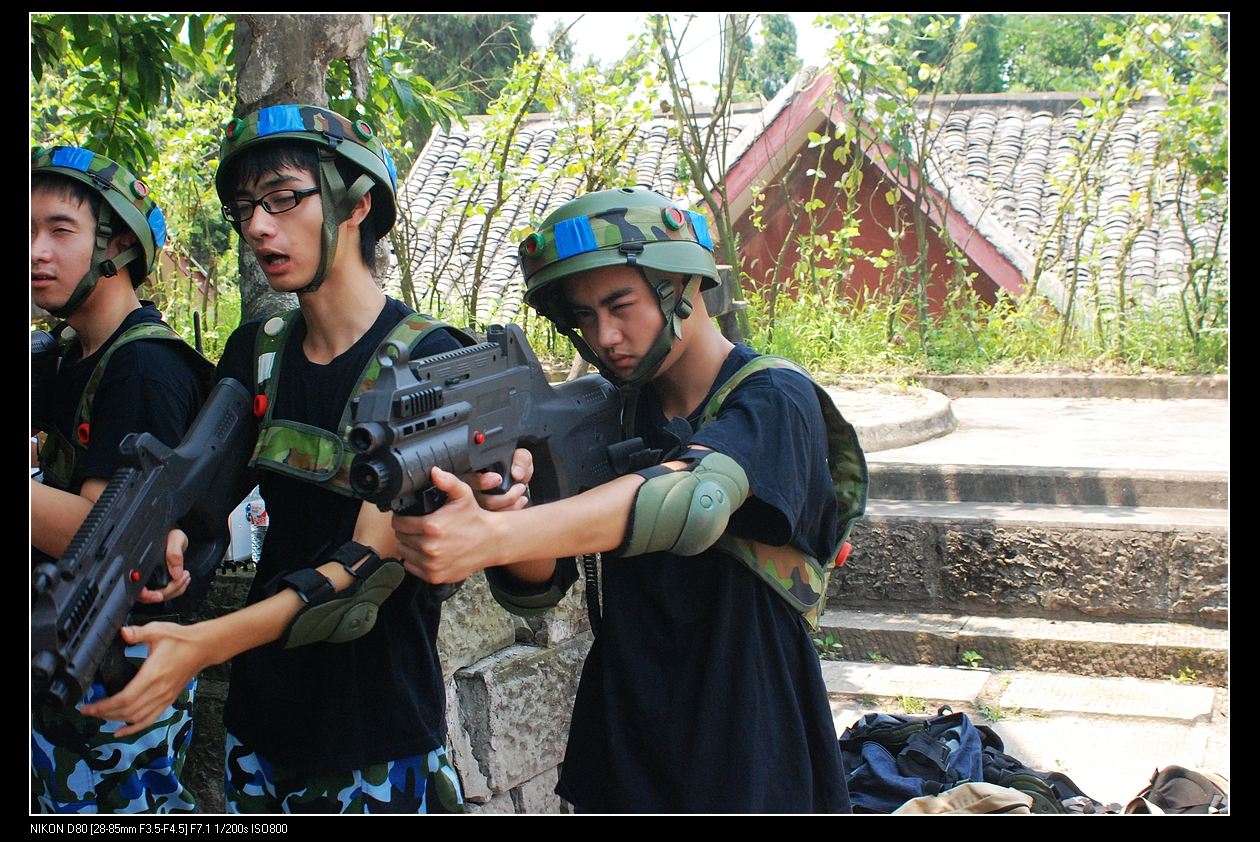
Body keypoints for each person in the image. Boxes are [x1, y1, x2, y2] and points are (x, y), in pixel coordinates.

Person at [81, 104, 536, 814]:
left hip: (372, 736)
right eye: (245, 208)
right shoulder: (259, 349)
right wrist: (165, 538)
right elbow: (201, 493)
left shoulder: (434, 361)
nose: (259, 226)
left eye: (283, 199)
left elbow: (360, 575)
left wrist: (202, 644)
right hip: (258, 731)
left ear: (357, 204)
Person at [391, 187, 865, 812]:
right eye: (583, 317)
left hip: (747, 731)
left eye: (621, 305)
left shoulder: (775, 398)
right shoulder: (610, 411)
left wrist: (493, 537)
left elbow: (695, 499)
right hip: (628, 733)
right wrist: (510, 513)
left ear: (683, 286)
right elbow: (537, 587)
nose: (604, 335)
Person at [31, 146, 211, 813]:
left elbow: (100, 532)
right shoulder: (73, 353)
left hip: (113, 670)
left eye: (59, 230)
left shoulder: (142, 369)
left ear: (116, 249)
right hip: (68, 655)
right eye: (27, 232)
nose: (35, 251)